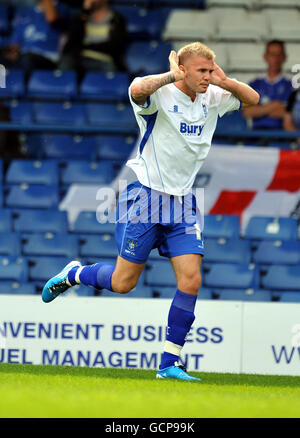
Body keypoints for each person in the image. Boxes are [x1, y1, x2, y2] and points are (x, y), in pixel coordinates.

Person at [42, 42, 259, 381]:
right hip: (146, 198)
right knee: (123, 282)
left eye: (209, 70)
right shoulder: (159, 96)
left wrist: (223, 80)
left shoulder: (212, 97)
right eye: (200, 71)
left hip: (184, 201)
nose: (206, 77)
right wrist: (172, 75)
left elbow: (253, 99)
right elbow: (137, 88)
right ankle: (74, 274)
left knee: (192, 278)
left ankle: (169, 363)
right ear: (183, 70)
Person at [0, 0, 68, 76]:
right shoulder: (25, 12)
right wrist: (10, 52)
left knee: (27, 59)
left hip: (48, 57)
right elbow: (15, 43)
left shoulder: (61, 8)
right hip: (23, 55)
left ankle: (23, 86)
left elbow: (52, 19)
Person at [58, 0, 127, 74]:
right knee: (66, 62)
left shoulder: (117, 20)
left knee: (109, 70)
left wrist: (87, 46)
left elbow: (115, 47)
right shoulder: (81, 18)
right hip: (80, 58)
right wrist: (84, 12)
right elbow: (72, 42)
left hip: (104, 59)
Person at [243, 40, 292, 130]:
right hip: (256, 137)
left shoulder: (291, 86)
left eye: (279, 55)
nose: (275, 59)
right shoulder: (254, 84)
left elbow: (290, 113)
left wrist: (260, 109)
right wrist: (274, 105)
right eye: (272, 54)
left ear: (284, 57)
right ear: (265, 57)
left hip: (282, 138)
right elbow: (247, 112)